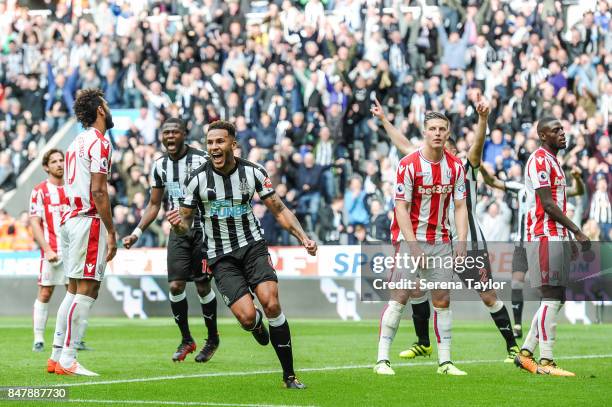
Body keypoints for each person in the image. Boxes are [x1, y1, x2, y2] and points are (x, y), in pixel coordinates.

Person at [167, 120, 317, 389]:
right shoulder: (196, 179)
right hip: (220, 256)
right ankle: (257, 325)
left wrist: (303, 237)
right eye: (210, 142)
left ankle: (289, 376)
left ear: (233, 145)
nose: (214, 147)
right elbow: (186, 223)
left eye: (220, 141)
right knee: (248, 318)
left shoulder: (254, 173)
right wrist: (178, 225)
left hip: (252, 247)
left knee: (271, 302)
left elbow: (280, 210)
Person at [373, 96, 520, 365]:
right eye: (434, 133)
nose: (440, 140)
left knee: (487, 294)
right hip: (435, 239)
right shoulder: (419, 162)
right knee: (416, 290)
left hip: (468, 241)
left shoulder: (463, 166)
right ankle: (423, 343)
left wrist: (483, 119)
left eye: (445, 134)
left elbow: (476, 147)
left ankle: (512, 345)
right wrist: (384, 121)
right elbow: (404, 145)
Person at [372, 109, 469, 376]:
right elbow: (401, 208)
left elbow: (460, 206)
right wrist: (413, 245)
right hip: (410, 239)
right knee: (400, 297)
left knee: (441, 299)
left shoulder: (456, 167)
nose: (437, 133)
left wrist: (462, 241)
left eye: (442, 129)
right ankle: (382, 360)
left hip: (440, 240)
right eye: (433, 129)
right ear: (425, 132)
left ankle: (445, 363)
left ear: (448, 133)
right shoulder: (408, 164)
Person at [122, 118, 219, 363]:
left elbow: (215, 193)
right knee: (175, 286)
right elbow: (154, 204)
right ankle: (187, 339)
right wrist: (137, 232)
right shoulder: (160, 165)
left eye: (175, 132)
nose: (170, 137)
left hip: (203, 231)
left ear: (184, 134)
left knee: (202, 286)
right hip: (177, 233)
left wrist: (195, 211)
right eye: (166, 133)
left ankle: (212, 338)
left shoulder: (202, 160)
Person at [514, 117, 591, 376]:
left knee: (557, 297)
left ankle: (525, 353)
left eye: (562, 128)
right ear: (542, 135)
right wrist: (577, 230)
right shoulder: (539, 161)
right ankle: (546, 361)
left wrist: (567, 237)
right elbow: (547, 204)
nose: (562, 132)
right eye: (555, 130)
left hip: (555, 235)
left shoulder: (554, 161)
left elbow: (557, 202)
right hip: (543, 235)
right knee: (551, 296)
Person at [49, 88, 117, 376]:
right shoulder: (99, 142)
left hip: (70, 218)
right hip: (88, 219)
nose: (109, 108)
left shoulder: (75, 141)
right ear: (100, 110)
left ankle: (55, 355)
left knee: (74, 289)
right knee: (88, 289)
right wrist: (111, 232)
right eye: (106, 105)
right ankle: (68, 358)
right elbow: (99, 191)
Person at [481, 164, 585, 338]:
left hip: (542, 242)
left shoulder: (553, 191)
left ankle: (538, 327)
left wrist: (576, 177)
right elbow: (492, 181)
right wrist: (481, 167)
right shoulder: (520, 188)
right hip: (522, 244)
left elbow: (578, 191)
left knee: (545, 288)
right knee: (516, 282)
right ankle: (517, 325)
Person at [30, 149, 70, 352]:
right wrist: (46, 249)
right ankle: (38, 338)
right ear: (46, 167)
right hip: (51, 252)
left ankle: (74, 338)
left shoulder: (73, 187)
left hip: (72, 253)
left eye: (61, 160)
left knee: (75, 295)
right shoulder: (39, 191)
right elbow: (35, 223)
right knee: (45, 292)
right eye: (54, 161)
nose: (59, 164)